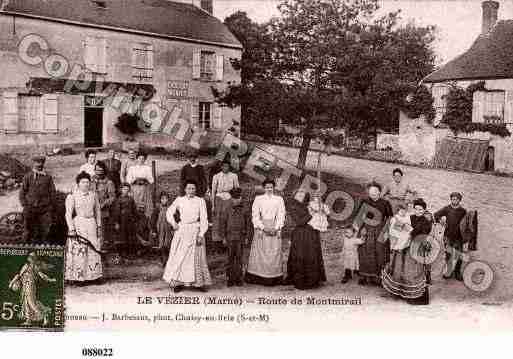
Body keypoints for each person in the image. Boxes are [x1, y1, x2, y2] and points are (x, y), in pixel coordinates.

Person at [163, 180, 211, 293]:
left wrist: (201, 234)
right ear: (185, 189)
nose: (191, 191)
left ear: (196, 190)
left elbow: (204, 218)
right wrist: (174, 223)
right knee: (180, 257)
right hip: (182, 230)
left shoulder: (200, 201)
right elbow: (169, 212)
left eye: (193, 188)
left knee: (196, 258)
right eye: (189, 188)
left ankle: (198, 284)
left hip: (195, 230)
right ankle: (178, 283)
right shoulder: (180, 200)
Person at [382, 198, 432, 305]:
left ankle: (413, 295)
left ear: (424, 210)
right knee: (399, 268)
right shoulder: (409, 217)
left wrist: (411, 232)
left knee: (412, 271)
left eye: (421, 210)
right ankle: (399, 292)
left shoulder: (426, 222)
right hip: (403, 246)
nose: (418, 211)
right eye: (416, 209)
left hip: (415, 248)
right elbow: (398, 224)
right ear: (413, 209)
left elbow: (423, 235)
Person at [245, 178, 286, 286]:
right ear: (264, 188)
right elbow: (255, 215)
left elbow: (281, 215)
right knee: (260, 252)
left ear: (274, 188)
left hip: (274, 227)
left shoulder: (279, 199)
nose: (269, 189)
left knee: (274, 252)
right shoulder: (258, 199)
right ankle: (259, 277)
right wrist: (263, 227)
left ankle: (274, 277)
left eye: (271, 187)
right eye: (267, 187)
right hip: (262, 228)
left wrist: (276, 228)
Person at [64, 172, 103, 284]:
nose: (86, 184)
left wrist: (99, 226)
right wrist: (71, 228)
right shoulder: (72, 196)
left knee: (93, 248)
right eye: (83, 182)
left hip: (91, 223)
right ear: (78, 183)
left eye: (87, 182)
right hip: (79, 223)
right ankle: (79, 277)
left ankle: (94, 276)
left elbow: (98, 212)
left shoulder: (93, 195)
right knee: (80, 250)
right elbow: (68, 214)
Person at [285, 189, 326, 290]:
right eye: (298, 193)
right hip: (300, 235)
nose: (300, 195)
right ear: (294, 195)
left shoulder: (309, 204)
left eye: (302, 193)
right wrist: (311, 214)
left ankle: (313, 279)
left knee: (312, 255)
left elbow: (320, 215)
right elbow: (299, 222)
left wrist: (320, 212)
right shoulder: (292, 206)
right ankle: (301, 280)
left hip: (312, 234)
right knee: (300, 256)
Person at [353, 182, 393, 286]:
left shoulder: (385, 203)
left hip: (380, 230)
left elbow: (390, 218)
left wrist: (386, 232)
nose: (373, 194)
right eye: (371, 192)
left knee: (380, 253)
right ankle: (365, 276)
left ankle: (379, 278)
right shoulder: (364, 201)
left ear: (380, 192)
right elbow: (359, 216)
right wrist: (360, 228)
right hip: (367, 229)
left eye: (375, 192)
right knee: (365, 252)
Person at [8, 252, 56, 326]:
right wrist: (12, 283)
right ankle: (28, 320)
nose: (32, 259)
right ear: (29, 259)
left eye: (33, 258)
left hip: (30, 286)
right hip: (25, 286)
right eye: (31, 257)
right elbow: (19, 275)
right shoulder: (26, 266)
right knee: (26, 303)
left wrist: (50, 279)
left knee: (31, 302)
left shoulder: (34, 267)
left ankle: (44, 316)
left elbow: (42, 275)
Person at [19, 156, 57, 244]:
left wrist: (51, 206)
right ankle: (27, 247)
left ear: (43, 164)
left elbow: (52, 192)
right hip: (30, 208)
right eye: (37, 163)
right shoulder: (28, 177)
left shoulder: (48, 177)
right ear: (33, 163)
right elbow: (22, 192)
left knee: (46, 229)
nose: (39, 165)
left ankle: (43, 247)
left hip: (45, 209)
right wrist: (25, 205)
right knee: (28, 230)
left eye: (41, 163)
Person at [434, 192, 467, 281]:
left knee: (459, 254)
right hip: (448, 236)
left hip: (459, 236)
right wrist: (441, 221)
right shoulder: (447, 208)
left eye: (456, 199)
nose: (454, 201)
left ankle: (457, 272)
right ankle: (448, 271)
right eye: (453, 199)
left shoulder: (463, 211)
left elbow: (467, 224)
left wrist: (467, 237)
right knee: (449, 254)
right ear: (450, 199)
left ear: (460, 200)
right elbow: (436, 215)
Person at [221, 187, 250, 287]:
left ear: (241, 198)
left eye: (238, 198)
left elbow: (247, 224)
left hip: (240, 237)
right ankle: (230, 278)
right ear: (231, 198)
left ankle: (239, 278)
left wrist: (246, 237)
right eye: (234, 198)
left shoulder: (245, 209)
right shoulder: (227, 209)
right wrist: (224, 237)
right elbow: (223, 223)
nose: (236, 200)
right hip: (230, 237)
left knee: (239, 258)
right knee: (230, 258)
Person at [211, 160, 240, 244]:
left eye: (227, 166)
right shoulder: (216, 176)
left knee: (229, 219)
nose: (225, 168)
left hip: (229, 197)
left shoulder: (234, 176)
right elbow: (213, 191)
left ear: (229, 167)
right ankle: (218, 241)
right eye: (223, 166)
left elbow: (237, 190)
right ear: (221, 167)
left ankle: (228, 240)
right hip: (219, 198)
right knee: (218, 219)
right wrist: (213, 205)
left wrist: (237, 201)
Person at [90, 161, 116, 250]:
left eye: (101, 170)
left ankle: (101, 249)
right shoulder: (90, 180)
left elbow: (112, 197)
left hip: (103, 211)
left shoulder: (109, 182)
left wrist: (103, 204)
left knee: (101, 231)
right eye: (97, 170)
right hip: (90, 210)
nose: (99, 172)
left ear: (104, 171)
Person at [111, 183, 138, 260]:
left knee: (130, 237)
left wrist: (135, 219)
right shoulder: (118, 200)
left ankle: (130, 253)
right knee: (122, 237)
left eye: (127, 189)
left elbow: (134, 210)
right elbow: (116, 212)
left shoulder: (131, 199)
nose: (125, 191)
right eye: (124, 189)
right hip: (122, 221)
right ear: (121, 190)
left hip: (130, 221)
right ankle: (122, 254)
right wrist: (116, 222)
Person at [126, 151, 154, 219]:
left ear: (145, 160)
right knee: (135, 205)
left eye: (143, 159)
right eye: (140, 158)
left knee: (145, 207)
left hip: (144, 189)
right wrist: (135, 179)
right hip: (134, 189)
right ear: (137, 159)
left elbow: (151, 180)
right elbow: (128, 181)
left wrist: (145, 179)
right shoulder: (132, 168)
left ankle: (145, 221)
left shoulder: (147, 168)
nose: (141, 160)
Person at [151, 192, 174, 266]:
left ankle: (167, 260)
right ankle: (161, 260)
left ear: (168, 200)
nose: (164, 200)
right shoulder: (157, 208)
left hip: (168, 229)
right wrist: (154, 230)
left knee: (167, 244)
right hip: (159, 229)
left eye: (166, 199)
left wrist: (173, 228)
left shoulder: (171, 208)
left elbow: (175, 218)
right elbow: (153, 220)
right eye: (162, 199)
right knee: (160, 245)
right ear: (160, 200)